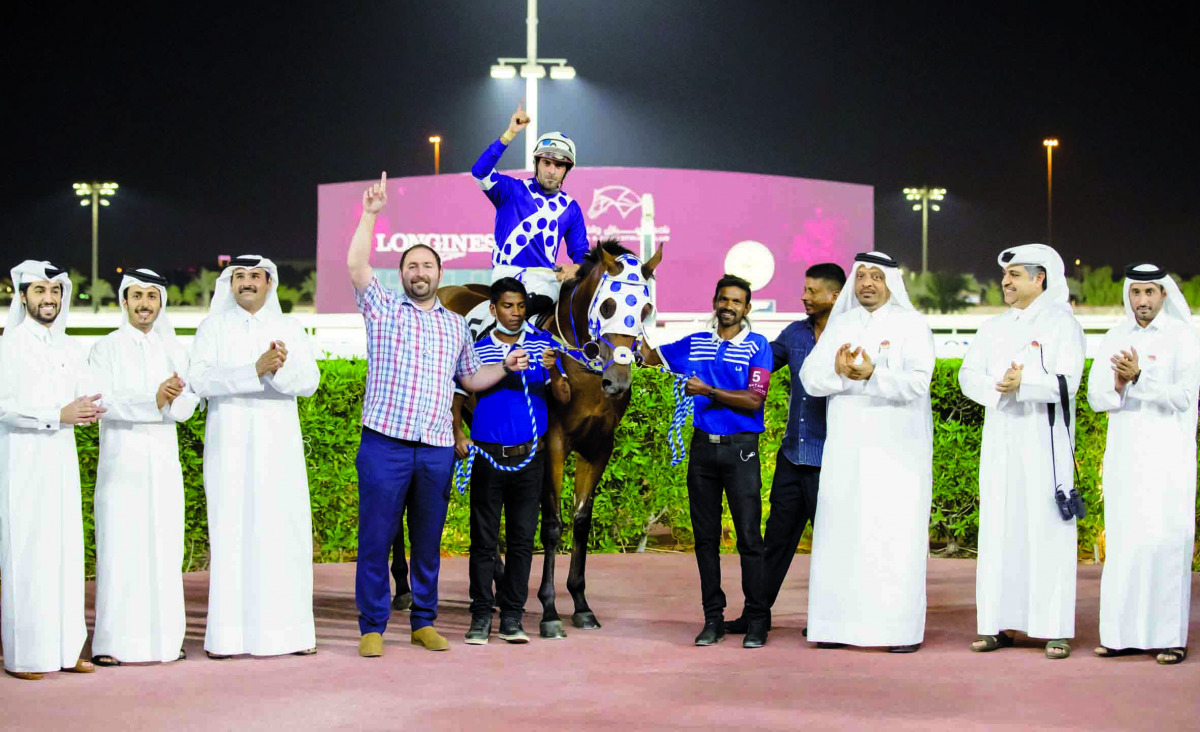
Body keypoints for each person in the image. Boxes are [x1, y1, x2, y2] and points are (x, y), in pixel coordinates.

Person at [348, 174, 530, 656]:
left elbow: (470, 379)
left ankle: (423, 622)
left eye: (428, 265)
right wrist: (370, 214)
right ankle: (372, 627)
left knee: (427, 543)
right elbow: (356, 266)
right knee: (376, 540)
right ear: (402, 274)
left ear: (439, 274)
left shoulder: (455, 327)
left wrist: (506, 367)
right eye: (411, 265)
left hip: (435, 451)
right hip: (384, 445)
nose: (420, 272)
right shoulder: (383, 309)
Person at [798, 252, 934, 653]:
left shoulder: (912, 325)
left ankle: (898, 631)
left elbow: (918, 383)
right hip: (847, 453)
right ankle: (836, 627)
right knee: (842, 534)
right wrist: (839, 374)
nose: (868, 284)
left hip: (897, 455)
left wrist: (874, 374)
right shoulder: (842, 324)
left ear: (892, 282)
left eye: (876, 276)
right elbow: (810, 377)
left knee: (892, 537)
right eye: (861, 277)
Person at [189, 254, 322, 660]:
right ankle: (228, 638)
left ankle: (290, 634)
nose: (247, 283)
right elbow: (200, 379)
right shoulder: (211, 328)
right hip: (228, 447)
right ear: (230, 284)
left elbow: (310, 381)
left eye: (255, 277)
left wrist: (276, 372)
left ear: (269, 283)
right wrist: (254, 370)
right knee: (232, 534)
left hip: (277, 451)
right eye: (239, 277)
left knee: (282, 533)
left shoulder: (289, 328)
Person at [959, 243, 1085, 660]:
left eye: (1014, 275)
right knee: (1000, 529)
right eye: (1005, 275)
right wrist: (999, 385)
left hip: (1044, 444)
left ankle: (1054, 629)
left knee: (1048, 531)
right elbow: (967, 375)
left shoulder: (1062, 325)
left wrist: (1025, 383)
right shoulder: (994, 327)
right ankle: (996, 625)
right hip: (1001, 440)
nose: (1005, 282)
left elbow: (1070, 382)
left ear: (1039, 278)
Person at [642, 275, 773, 648]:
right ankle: (712, 619)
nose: (728, 306)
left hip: (741, 449)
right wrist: (635, 325)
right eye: (723, 299)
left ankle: (758, 620)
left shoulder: (757, 346)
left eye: (736, 301)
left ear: (747, 309)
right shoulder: (695, 343)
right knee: (705, 540)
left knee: (749, 537)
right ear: (715, 302)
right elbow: (651, 359)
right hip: (703, 450)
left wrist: (708, 390)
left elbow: (753, 400)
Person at [1087, 263, 1200, 665]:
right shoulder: (1116, 337)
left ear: (1164, 295)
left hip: (1169, 458)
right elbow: (1096, 397)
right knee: (1126, 543)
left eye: (1150, 292)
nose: (1143, 300)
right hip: (1125, 457)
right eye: (1136, 293)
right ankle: (1121, 635)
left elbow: (1185, 397)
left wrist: (1138, 379)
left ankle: (1170, 637)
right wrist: (1117, 385)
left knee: (1166, 542)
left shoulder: (1183, 337)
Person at [724, 263, 844, 638]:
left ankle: (831, 620)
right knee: (773, 543)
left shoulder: (852, 334)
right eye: (804, 289)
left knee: (835, 549)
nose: (804, 296)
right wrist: (722, 349)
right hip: (793, 458)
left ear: (835, 296)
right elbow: (758, 361)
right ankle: (756, 614)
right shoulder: (794, 334)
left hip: (836, 462)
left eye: (812, 291)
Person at [88, 268, 199, 666]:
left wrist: (172, 398)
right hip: (122, 466)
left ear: (161, 303)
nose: (144, 304)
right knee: (121, 550)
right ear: (124, 301)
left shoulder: (175, 350)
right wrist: (153, 400)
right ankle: (112, 644)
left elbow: (188, 408)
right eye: (137, 295)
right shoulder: (106, 348)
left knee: (164, 549)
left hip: (164, 464)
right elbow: (102, 403)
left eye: (152, 296)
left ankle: (166, 642)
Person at [0, 260, 101, 681]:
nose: (49, 299)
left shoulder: (68, 347)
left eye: (55, 291)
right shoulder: (9, 345)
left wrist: (93, 408)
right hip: (24, 461)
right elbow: (4, 407)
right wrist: (55, 415)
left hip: (61, 460)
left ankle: (65, 648)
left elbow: (87, 396)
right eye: (39, 291)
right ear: (22, 297)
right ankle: (24, 655)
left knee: (64, 554)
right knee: (28, 555)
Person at [456, 278, 571, 645]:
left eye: (521, 306)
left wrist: (553, 369)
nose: (516, 313)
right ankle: (480, 616)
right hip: (489, 456)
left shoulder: (543, 343)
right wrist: (459, 433)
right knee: (483, 541)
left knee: (522, 541)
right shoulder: (476, 348)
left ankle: (512, 618)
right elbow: (458, 394)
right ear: (493, 309)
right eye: (508, 306)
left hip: (529, 458)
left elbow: (564, 396)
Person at [469, 102, 588, 324]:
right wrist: (510, 134)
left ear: (566, 170)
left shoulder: (571, 208)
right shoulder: (510, 190)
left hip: (544, 281)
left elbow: (581, 252)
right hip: (506, 276)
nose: (552, 171)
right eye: (547, 162)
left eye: (559, 166)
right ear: (537, 163)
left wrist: (577, 268)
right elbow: (480, 171)